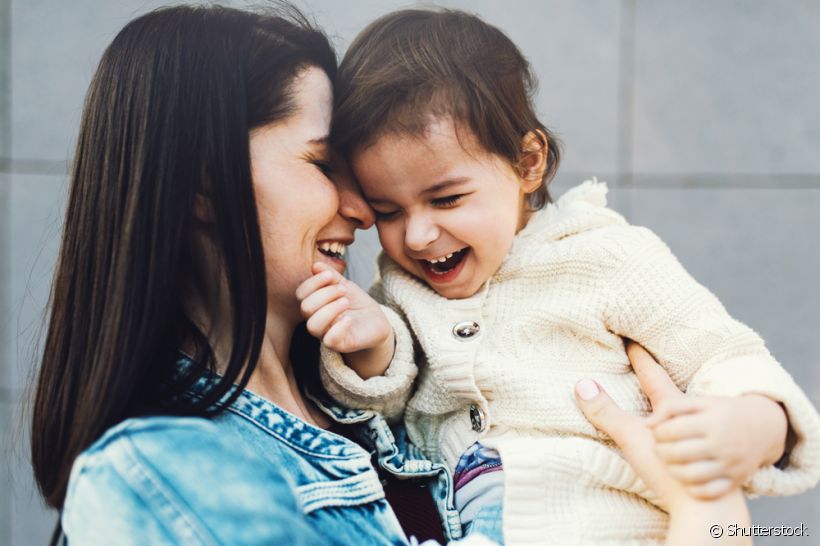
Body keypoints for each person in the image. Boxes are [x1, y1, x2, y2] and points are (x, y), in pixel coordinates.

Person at [29, 4, 756, 546]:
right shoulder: (164, 479)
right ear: (202, 185)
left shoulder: (380, 409)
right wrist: (710, 515)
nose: (366, 211)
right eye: (322, 166)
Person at [297, 8, 820, 544]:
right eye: (388, 211)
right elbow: (383, 418)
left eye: (446, 198)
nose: (418, 236)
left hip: (609, 519)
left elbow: (724, 353)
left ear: (528, 163)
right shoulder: (400, 292)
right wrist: (373, 348)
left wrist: (753, 426)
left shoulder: (605, 256)